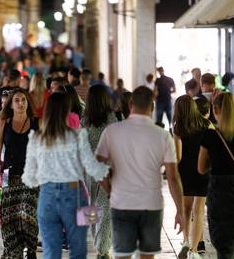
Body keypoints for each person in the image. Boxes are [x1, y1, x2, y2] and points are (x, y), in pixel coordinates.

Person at [96, 86, 184, 259]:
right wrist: (180, 211)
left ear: (130, 104)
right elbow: (173, 177)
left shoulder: (112, 131)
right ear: (152, 107)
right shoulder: (163, 136)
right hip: (151, 204)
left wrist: (109, 190)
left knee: (122, 255)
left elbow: (96, 166)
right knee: (147, 256)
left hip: (121, 202)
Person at [22, 92, 109, 259]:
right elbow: (92, 167)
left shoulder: (36, 138)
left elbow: (29, 177)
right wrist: (110, 186)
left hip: (47, 196)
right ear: (66, 111)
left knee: (51, 250)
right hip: (76, 194)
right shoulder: (78, 136)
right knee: (78, 249)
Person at [198, 92, 234, 259]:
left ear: (215, 110)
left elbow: (201, 168)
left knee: (221, 242)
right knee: (233, 241)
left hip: (217, 192)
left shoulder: (210, 135)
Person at [0, 88, 39, 259]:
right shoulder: (4, 122)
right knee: (9, 219)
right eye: (17, 100)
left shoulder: (36, 123)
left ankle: (30, 250)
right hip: (8, 175)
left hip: (31, 176)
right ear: (11, 104)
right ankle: (13, 252)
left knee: (27, 215)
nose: (21, 103)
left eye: (24, 100)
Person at [173, 95, 212, 259]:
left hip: (185, 171)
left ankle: (186, 242)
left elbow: (178, 156)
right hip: (203, 170)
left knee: (186, 209)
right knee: (199, 210)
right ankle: (195, 250)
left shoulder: (178, 127)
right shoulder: (207, 124)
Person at [81, 85, 117, 259]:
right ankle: (102, 248)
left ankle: (99, 244)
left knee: (93, 206)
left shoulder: (85, 120)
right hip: (106, 169)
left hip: (88, 170)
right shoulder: (111, 118)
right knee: (106, 207)